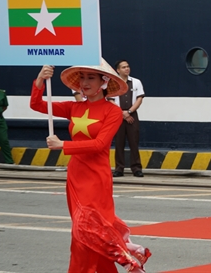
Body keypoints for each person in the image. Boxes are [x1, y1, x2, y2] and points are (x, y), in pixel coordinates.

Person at [30, 60, 150, 272]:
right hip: (76, 177)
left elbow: (99, 145)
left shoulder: (112, 111)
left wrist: (63, 145)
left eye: (91, 78)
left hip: (97, 179)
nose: (84, 82)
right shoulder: (74, 107)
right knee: (81, 232)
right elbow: (37, 105)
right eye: (82, 77)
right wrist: (40, 79)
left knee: (90, 230)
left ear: (104, 82)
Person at [111, 60, 146, 178]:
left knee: (134, 142)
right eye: (123, 67)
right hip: (117, 115)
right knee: (119, 143)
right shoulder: (113, 83)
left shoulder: (136, 82)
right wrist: (121, 113)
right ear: (118, 70)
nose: (127, 68)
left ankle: (136, 168)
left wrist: (129, 112)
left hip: (132, 114)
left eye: (128, 66)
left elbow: (139, 99)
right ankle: (119, 168)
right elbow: (110, 100)